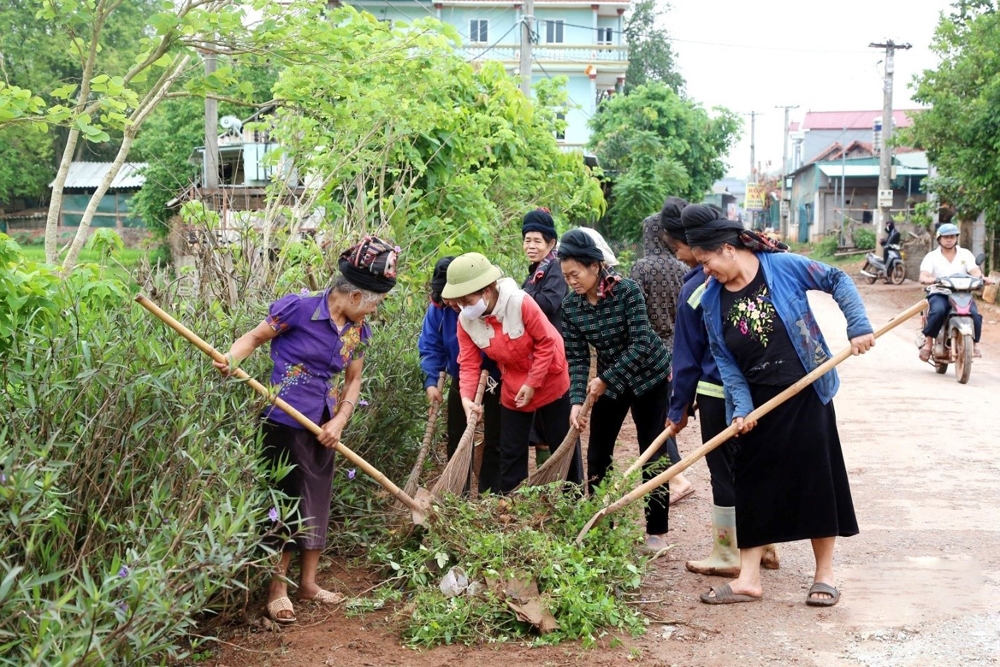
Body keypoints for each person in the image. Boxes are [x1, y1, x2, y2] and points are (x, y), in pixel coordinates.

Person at [686, 217, 874, 607]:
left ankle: (824, 575)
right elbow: (726, 362)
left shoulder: (781, 266)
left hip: (807, 390)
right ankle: (748, 579)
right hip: (759, 402)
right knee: (751, 484)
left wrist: (857, 325)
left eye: (707, 261)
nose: (705, 271)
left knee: (817, 481)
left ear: (728, 249)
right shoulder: (710, 299)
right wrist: (741, 407)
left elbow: (837, 279)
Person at [214, 236, 399, 624]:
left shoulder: (356, 332)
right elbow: (254, 338)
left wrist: (340, 420)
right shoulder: (298, 309)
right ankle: (276, 590)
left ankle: (309, 584)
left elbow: (352, 381)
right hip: (283, 420)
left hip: (323, 425)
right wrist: (231, 358)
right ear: (352, 296)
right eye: (374, 301)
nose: (375, 309)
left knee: (317, 497)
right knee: (286, 504)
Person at [662, 205, 780, 576]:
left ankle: (728, 553)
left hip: (717, 391)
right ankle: (765, 548)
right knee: (755, 468)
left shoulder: (699, 288)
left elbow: (686, 358)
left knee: (724, 473)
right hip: (760, 389)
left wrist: (678, 406)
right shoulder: (755, 273)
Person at [558, 229, 672, 554]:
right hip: (612, 382)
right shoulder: (571, 308)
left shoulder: (627, 291)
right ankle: (601, 525)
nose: (572, 281)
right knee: (597, 454)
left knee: (652, 452)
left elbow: (640, 343)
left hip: (650, 376)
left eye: (576, 274)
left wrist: (605, 378)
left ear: (595, 266)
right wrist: (576, 401)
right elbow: (578, 357)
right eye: (566, 276)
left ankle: (657, 531)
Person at [442, 252, 583, 493]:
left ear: (486, 290)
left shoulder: (520, 302)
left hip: (550, 376)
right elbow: (468, 364)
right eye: (459, 303)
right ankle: (512, 509)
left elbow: (547, 342)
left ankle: (575, 503)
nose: (463, 308)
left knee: (563, 444)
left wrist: (533, 382)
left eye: (467, 300)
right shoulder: (466, 321)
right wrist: (466, 398)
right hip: (514, 384)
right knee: (511, 452)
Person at [630, 201, 695, 505]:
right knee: (668, 416)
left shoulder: (641, 268)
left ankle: (678, 478)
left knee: (657, 421)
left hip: (650, 352)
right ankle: (677, 475)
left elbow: (636, 314)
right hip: (678, 349)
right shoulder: (684, 266)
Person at [418, 256, 501, 490]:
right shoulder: (438, 308)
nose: (449, 302)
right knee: (457, 438)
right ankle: (458, 493)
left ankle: (492, 494)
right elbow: (430, 346)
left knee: (496, 438)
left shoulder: (483, 303)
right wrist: (431, 381)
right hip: (462, 377)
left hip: (496, 377)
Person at [520, 208, 567, 466]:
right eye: (527, 239)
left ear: (551, 243)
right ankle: (544, 485)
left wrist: (519, 298)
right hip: (536, 357)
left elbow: (549, 303)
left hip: (554, 355)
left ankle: (565, 485)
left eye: (538, 240)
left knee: (556, 425)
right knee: (539, 426)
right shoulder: (534, 271)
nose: (531, 245)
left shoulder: (556, 269)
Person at [918, 223, 991, 360]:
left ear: (956, 238)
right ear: (939, 239)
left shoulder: (965, 254)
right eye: (946, 237)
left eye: (952, 236)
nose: (949, 239)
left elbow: (975, 271)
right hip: (939, 293)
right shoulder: (932, 256)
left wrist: (981, 278)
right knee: (938, 310)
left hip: (961, 293)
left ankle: (974, 344)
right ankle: (928, 344)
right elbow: (924, 275)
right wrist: (928, 279)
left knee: (974, 314)